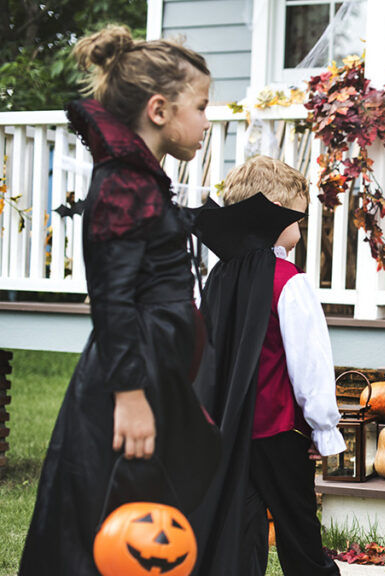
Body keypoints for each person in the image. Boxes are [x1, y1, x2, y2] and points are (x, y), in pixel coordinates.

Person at [19, 25, 221, 574]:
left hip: (158, 370)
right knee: (109, 525)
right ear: (159, 109)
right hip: (132, 375)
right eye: (200, 107)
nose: (207, 120)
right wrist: (130, 396)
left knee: (152, 509)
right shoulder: (123, 185)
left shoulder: (144, 181)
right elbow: (112, 299)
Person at [190, 156, 343, 576]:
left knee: (240, 525)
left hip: (230, 430)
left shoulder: (218, 278)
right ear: (275, 210)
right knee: (297, 525)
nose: (302, 223)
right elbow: (309, 362)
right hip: (279, 432)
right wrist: (324, 428)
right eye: (298, 214)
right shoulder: (289, 280)